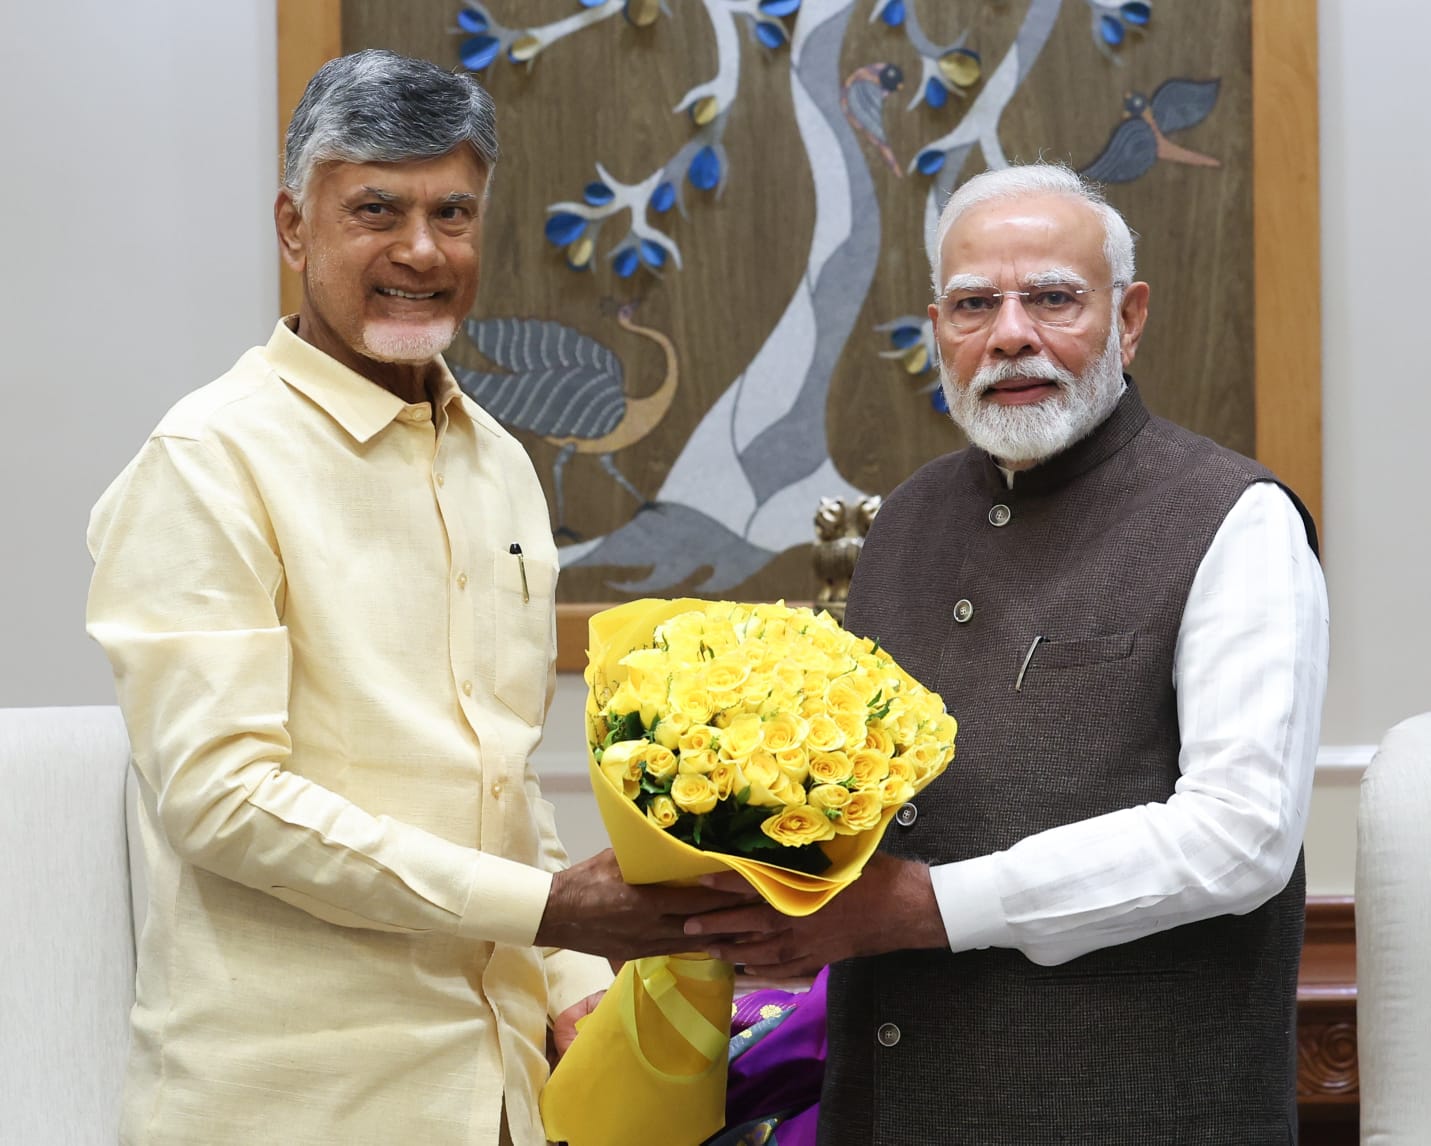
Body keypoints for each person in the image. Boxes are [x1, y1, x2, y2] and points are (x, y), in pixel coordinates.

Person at [87, 50, 749, 1146]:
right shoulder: (206, 462)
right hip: (293, 1106)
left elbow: (500, 778)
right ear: (295, 227)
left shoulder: (500, 465)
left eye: (454, 212)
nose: (420, 251)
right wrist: (548, 907)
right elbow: (222, 800)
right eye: (375, 210)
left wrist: (572, 969)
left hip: (500, 1094)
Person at [688, 163, 1329, 1142]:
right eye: (974, 303)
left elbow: (1239, 838)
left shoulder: (1235, 520)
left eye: (1054, 298)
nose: (1011, 333)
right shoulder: (901, 523)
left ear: (1129, 318)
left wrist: (925, 906)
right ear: (937, 329)